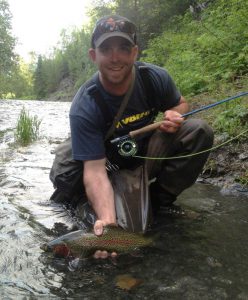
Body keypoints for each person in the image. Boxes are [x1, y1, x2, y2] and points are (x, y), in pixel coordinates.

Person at [69, 15, 214, 258]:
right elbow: (94, 172)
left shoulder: (154, 78)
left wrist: (173, 114)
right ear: (94, 55)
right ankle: (84, 202)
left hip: (144, 154)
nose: (115, 58)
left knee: (198, 131)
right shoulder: (85, 105)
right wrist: (108, 223)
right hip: (106, 166)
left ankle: (160, 202)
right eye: (106, 49)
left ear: (135, 52)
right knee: (128, 236)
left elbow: (181, 104)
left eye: (124, 48)